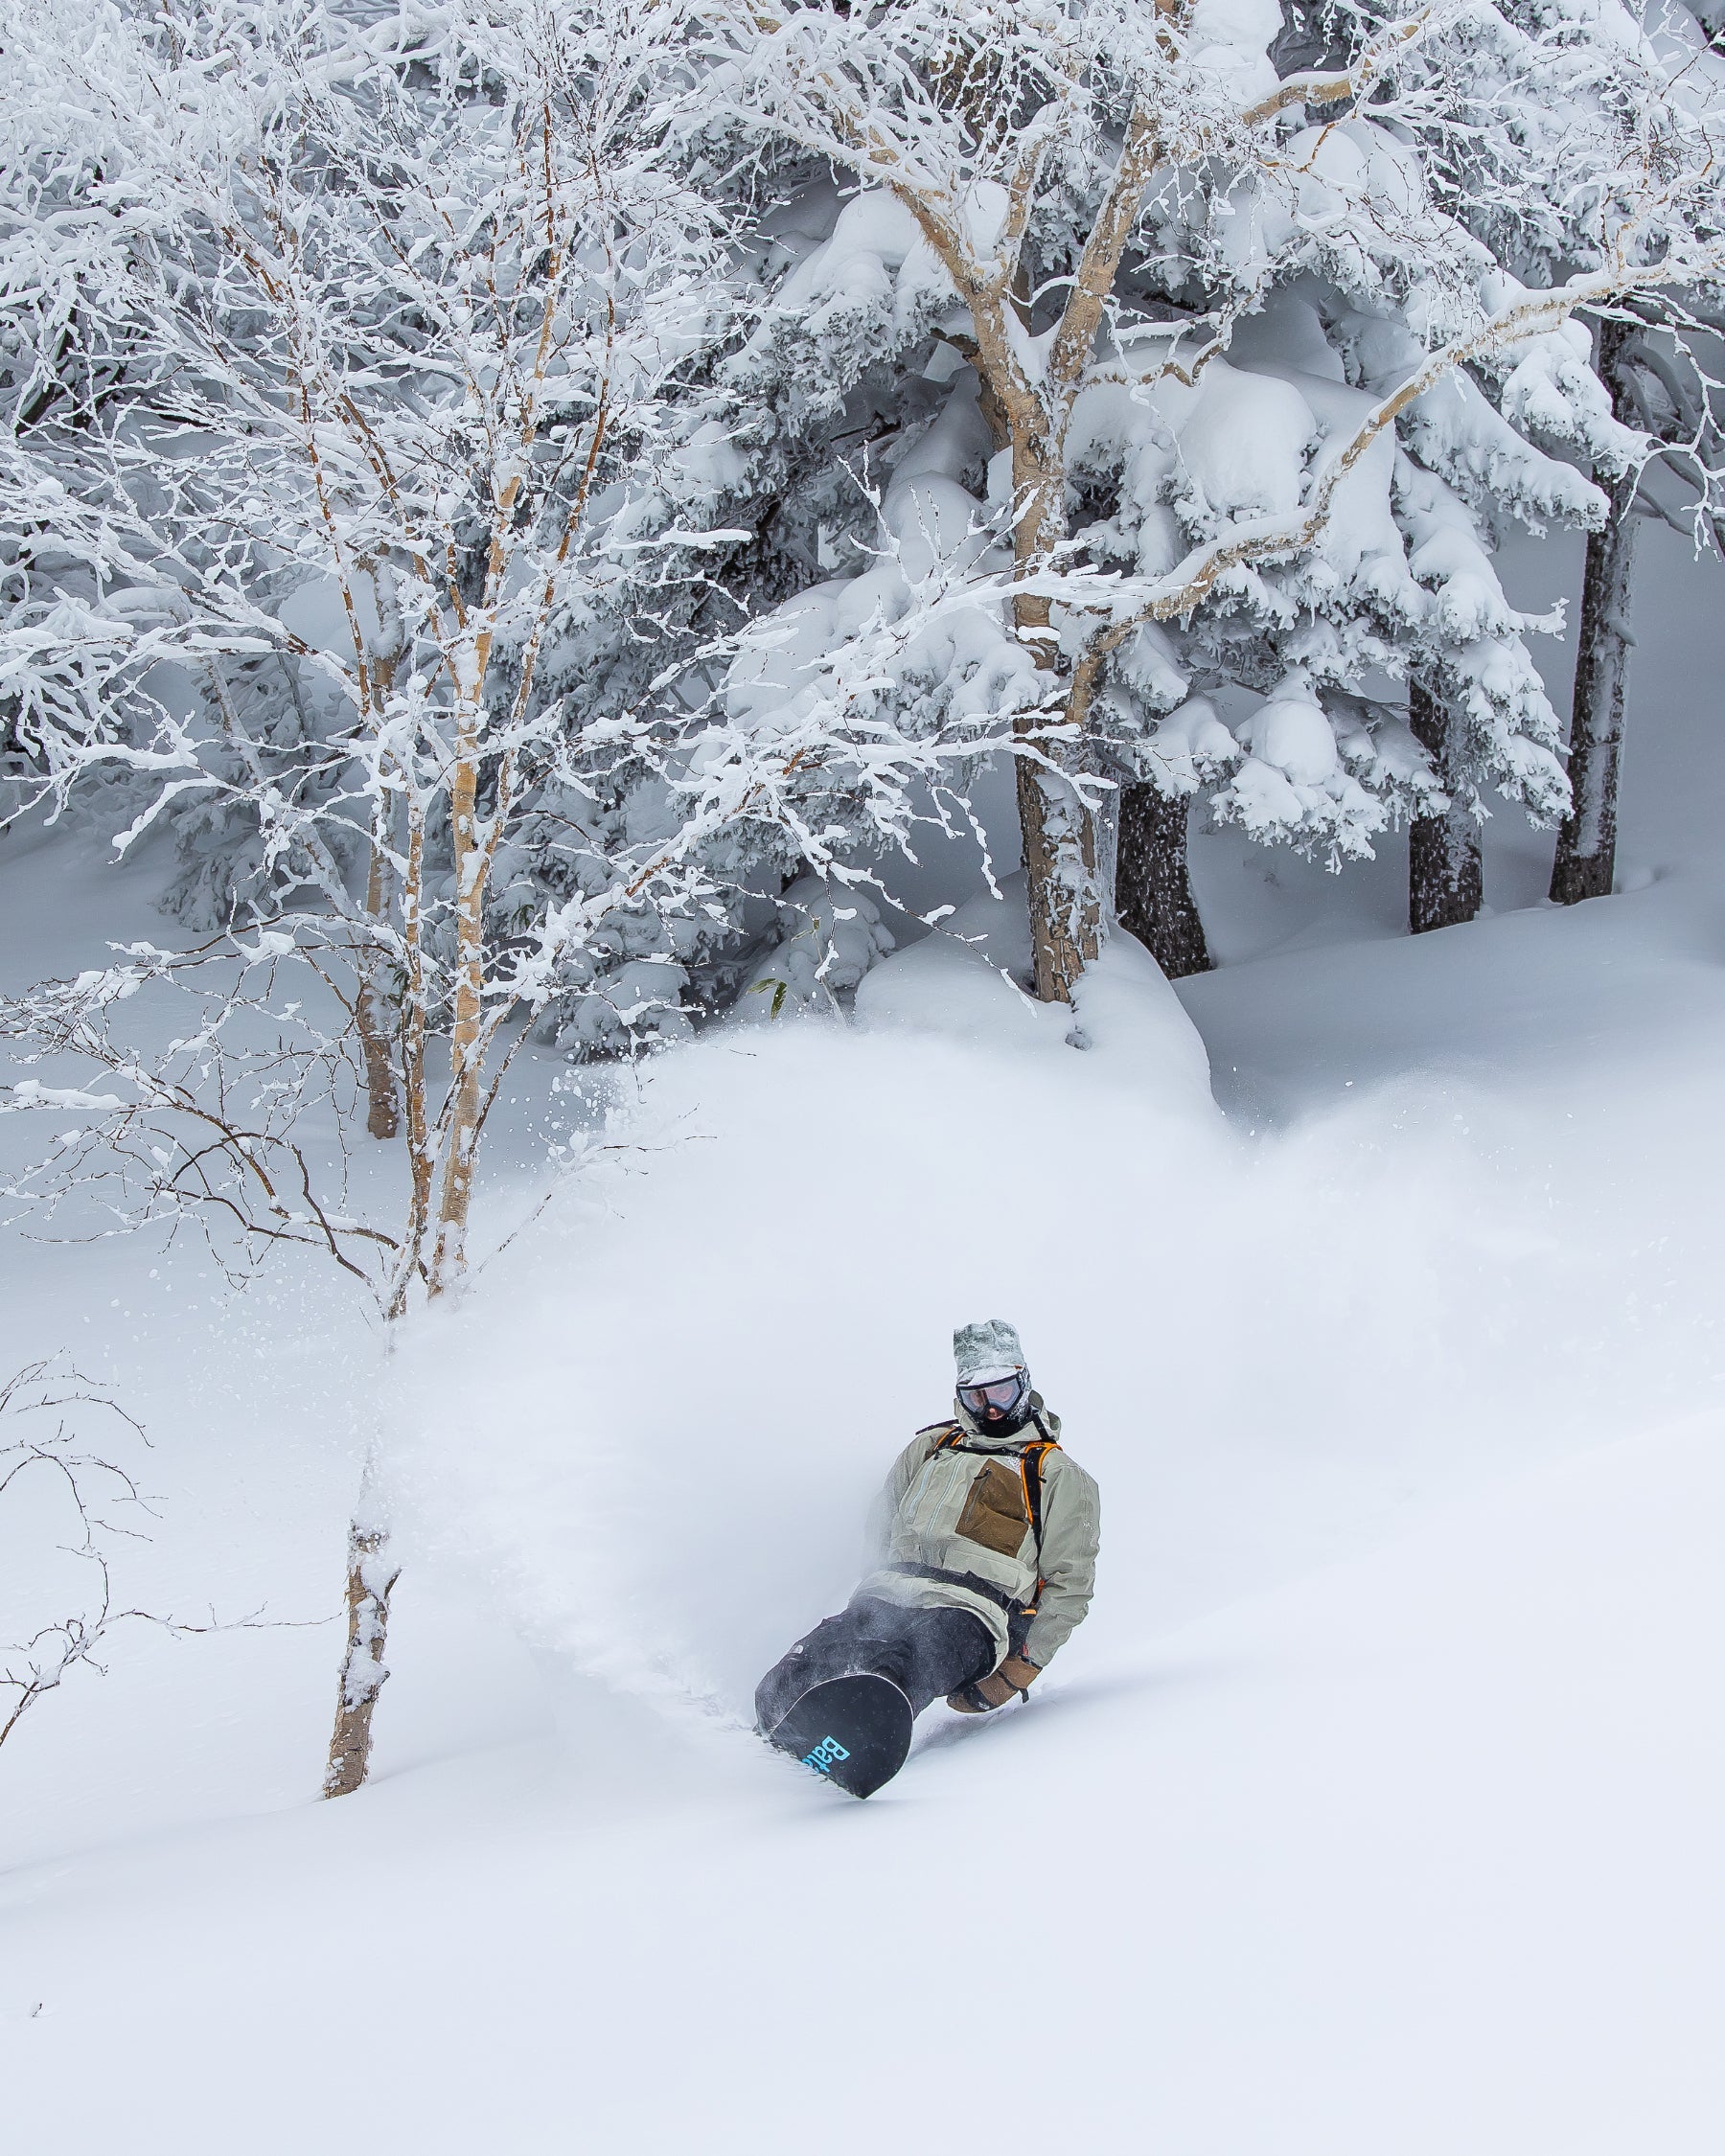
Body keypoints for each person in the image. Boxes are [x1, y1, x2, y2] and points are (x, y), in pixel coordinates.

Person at [754, 1319, 1100, 1735]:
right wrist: (868, 1594)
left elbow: (1070, 1584)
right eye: (976, 1397)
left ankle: (859, 1738)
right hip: (887, 1595)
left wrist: (1021, 1667)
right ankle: (773, 1747)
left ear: (1023, 1384)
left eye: (1001, 1393)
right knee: (788, 1678)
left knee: (898, 1666)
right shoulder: (931, 1447)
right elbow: (880, 1525)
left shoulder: (1054, 1473)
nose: (990, 1409)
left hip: (973, 1613)